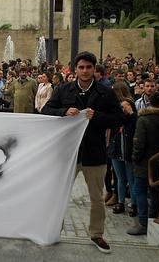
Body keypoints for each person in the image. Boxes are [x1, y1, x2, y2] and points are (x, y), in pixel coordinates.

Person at [42, 51, 125, 254]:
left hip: (94, 153)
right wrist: (63, 112)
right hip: (68, 152)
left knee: (96, 198)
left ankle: (96, 234)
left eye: (89, 67)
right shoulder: (64, 90)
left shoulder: (106, 92)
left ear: (94, 69)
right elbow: (46, 110)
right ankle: (54, 229)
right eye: (81, 67)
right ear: (75, 69)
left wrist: (96, 116)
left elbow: (118, 118)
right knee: (59, 194)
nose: (85, 71)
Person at [129, 92, 159, 235]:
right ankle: (153, 218)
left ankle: (143, 222)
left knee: (140, 192)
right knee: (156, 193)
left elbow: (139, 142)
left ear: (150, 102)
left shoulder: (143, 119)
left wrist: (135, 158)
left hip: (144, 162)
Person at [107, 82, 137, 216]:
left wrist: (131, 113)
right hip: (116, 148)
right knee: (120, 178)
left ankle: (134, 204)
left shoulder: (132, 113)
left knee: (131, 179)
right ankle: (120, 201)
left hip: (128, 149)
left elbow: (135, 126)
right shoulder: (114, 111)